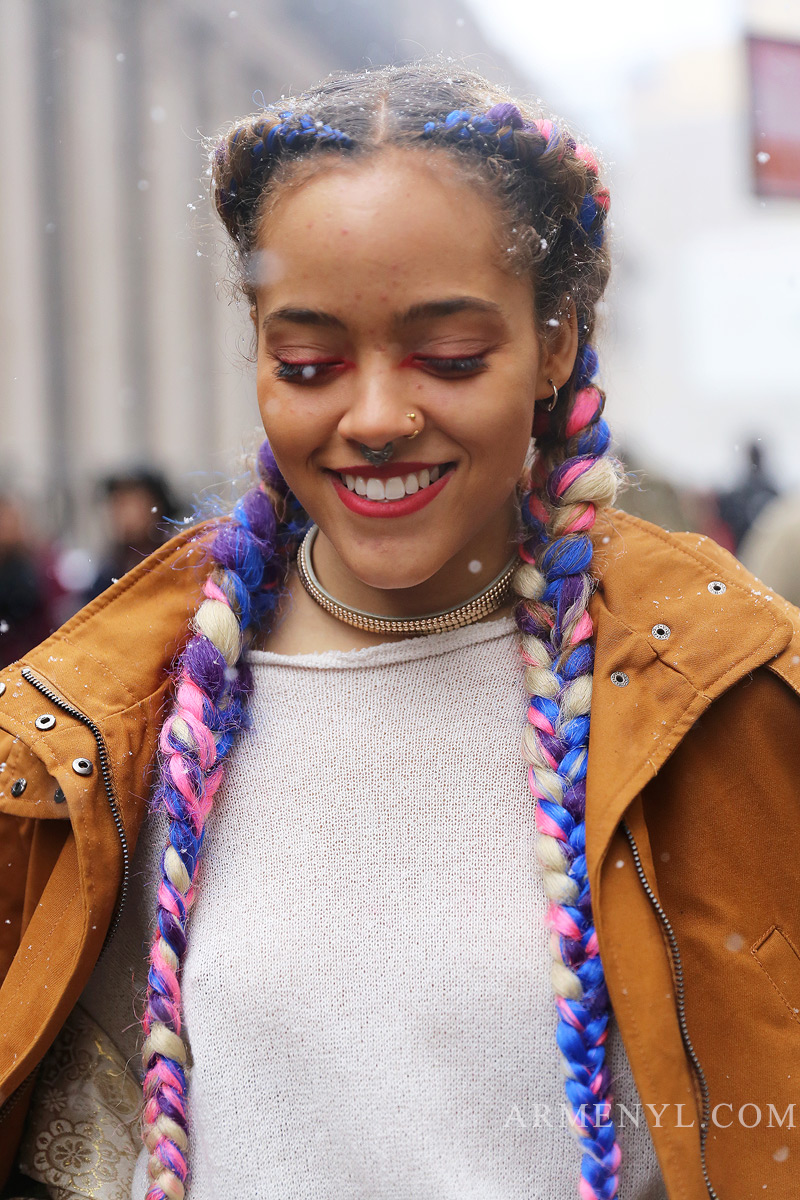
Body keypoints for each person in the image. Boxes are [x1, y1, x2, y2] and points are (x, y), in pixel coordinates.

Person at [0, 64, 798, 1200]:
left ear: (556, 341)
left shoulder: (727, 694)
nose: (375, 417)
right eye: (310, 361)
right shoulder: (108, 718)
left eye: (450, 356)